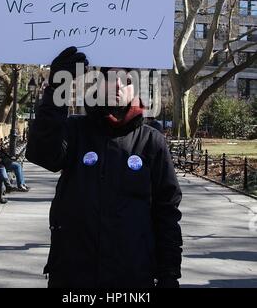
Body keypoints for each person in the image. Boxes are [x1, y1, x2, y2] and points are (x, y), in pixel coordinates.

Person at [26, 47, 182, 288]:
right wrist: (56, 89)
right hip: (73, 273)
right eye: (111, 78)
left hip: (132, 276)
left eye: (127, 80)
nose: (119, 85)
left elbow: (167, 211)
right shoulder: (77, 131)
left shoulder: (152, 142)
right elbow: (42, 154)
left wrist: (169, 274)